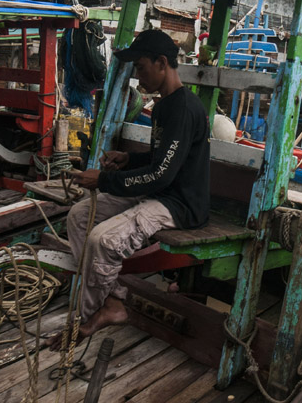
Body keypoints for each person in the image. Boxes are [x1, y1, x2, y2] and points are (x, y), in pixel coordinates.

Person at [49, 29, 210, 349]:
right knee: (79, 216)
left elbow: (162, 174)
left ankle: (89, 316)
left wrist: (103, 180)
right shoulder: (164, 107)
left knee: (103, 239)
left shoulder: (184, 108)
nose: (138, 76)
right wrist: (129, 159)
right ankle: (111, 300)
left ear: (162, 63)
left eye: (140, 67)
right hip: (160, 192)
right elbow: (163, 158)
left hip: (180, 204)